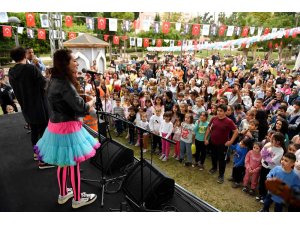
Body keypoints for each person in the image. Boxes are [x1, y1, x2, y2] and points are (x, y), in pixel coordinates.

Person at [34, 49, 99, 209]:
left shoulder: (52, 80)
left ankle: (63, 194)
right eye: (74, 60)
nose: (77, 63)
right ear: (65, 63)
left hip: (55, 127)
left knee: (63, 163)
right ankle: (77, 199)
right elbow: (82, 108)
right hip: (68, 128)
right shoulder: (64, 84)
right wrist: (92, 102)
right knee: (74, 164)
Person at [8, 47, 52, 169]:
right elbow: (45, 84)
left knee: (34, 130)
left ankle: (36, 154)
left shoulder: (11, 72)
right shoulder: (30, 68)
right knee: (43, 132)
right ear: (24, 55)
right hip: (39, 105)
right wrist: (48, 77)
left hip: (26, 106)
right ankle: (43, 161)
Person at [204, 104, 239, 184]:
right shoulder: (213, 118)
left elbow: (236, 131)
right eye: (218, 110)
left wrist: (231, 141)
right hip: (213, 142)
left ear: (225, 112)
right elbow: (209, 128)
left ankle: (221, 175)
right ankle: (214, 168)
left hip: (223, 145)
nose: (219, 112)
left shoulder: (229, 121)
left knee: (222, 160)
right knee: (213, 156)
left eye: (221, 111)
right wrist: (206, 138)